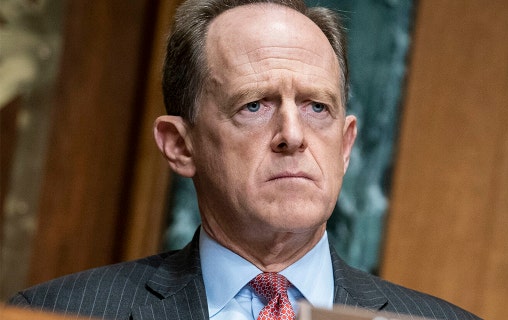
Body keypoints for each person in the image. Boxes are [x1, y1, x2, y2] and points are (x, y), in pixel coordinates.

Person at [9, 1, 481, 319]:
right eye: (254, 105)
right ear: (179, 144)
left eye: (317, 107)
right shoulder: (56, 312)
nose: (293, 136)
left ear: (345, 143)